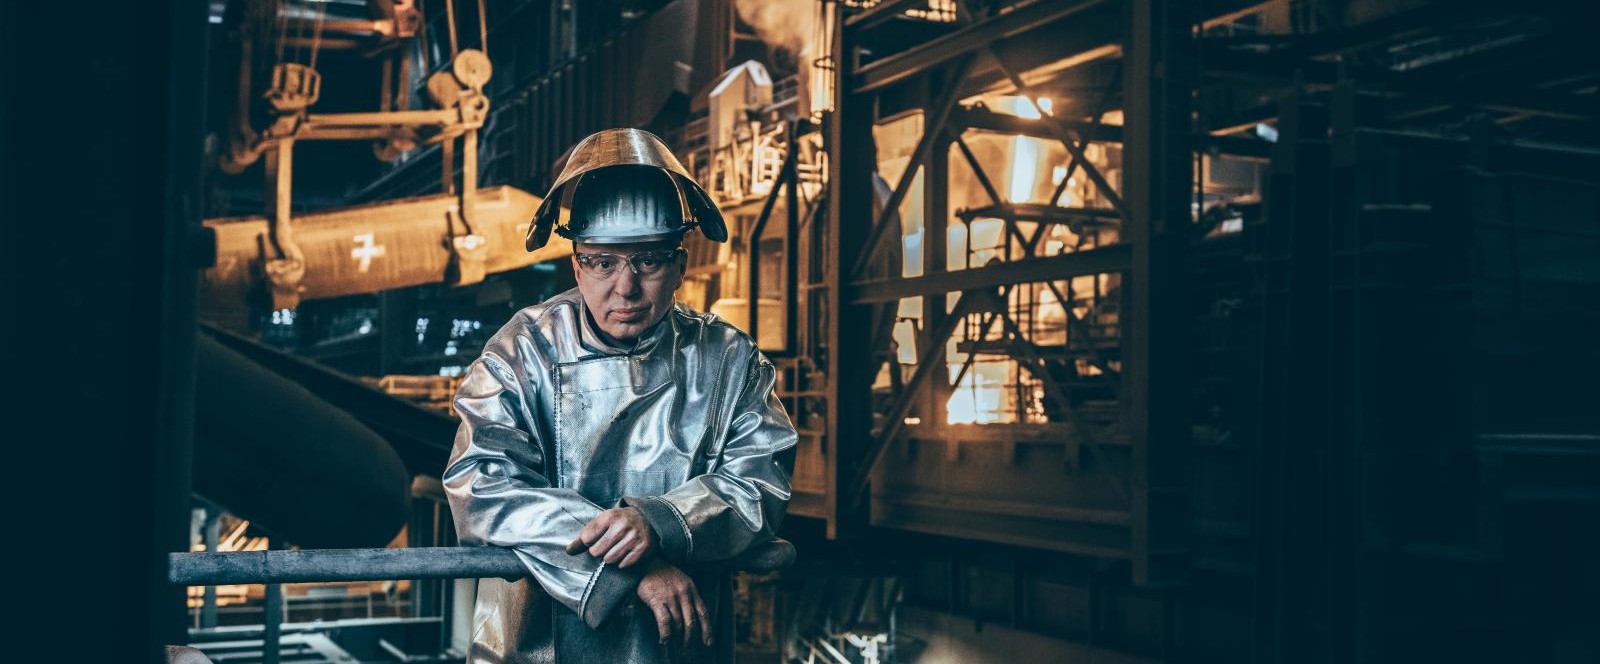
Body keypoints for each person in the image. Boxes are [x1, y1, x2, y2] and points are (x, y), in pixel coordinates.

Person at [443, 128, 798, 664]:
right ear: (576, 265)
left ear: (679, 265)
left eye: (648, 261)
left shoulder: (727, 359)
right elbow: (481, 487)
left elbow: (758, 484)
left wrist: (658, 521)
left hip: (674, 649)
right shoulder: (522, 352)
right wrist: (630, 567)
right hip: (534, 644)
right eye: (604, 263)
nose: (626, 287)